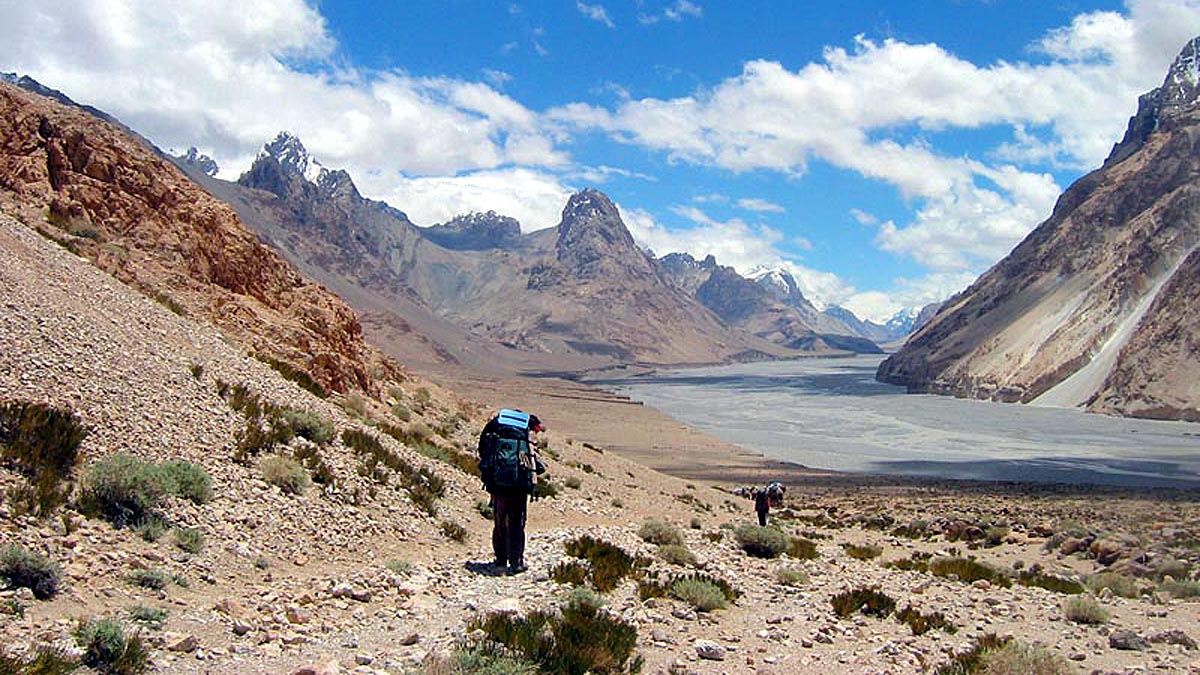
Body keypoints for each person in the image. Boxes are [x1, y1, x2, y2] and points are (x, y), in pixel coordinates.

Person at [477, 409, 545, 575]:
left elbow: (482, 450)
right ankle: (517, 562)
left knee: (499, 521)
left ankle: (501, 561)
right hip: (519, 483)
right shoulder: (524, 429)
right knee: (517, 521)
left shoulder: (494, 427)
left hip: (498, 483)